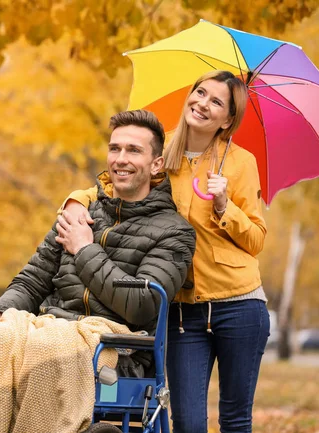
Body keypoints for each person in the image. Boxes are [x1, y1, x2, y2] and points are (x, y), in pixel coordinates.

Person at [0, 109, 196, 433]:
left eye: (134, 150)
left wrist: (86, 249)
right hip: (50, 325)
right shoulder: (78, 212)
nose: (120, 159)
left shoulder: (175, 232)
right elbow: (33, 279)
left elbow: (142, 305)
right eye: (115, 148)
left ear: (156, 163)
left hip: (118, 346)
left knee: (51, 348)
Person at [63, 71, 269, 433]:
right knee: (187, 422)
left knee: (236, 419)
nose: (203, 103)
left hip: (239, 304)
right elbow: (112, 182)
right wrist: (76, 200)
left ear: (228, 120)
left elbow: (256, 240)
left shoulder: (240, 163)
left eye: (217, 102)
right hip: (181, 311)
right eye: (200, 92)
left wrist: (225, 206)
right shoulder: (163, 151)